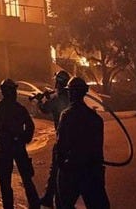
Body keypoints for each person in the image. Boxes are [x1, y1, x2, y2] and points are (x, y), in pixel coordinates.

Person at [0, 78, 41, 209]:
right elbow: (29, 125)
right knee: (26, 178)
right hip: (16, 146)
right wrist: (24, 139)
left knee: (5, 181)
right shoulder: (18, 108)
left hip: (5, 147)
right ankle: (34, 204)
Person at [54, 76, 110, 209]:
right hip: (91, 170)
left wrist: (61, 168)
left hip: (72, 170)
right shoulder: (95, 118)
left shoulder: (66, 116)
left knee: (63, 204)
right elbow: (98, 150)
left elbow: (61, 147)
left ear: (71, 93)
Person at [37, 70, 71, 207]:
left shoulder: (57, 98)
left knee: (56, 169)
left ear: (58, 82)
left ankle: (52, 198)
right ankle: (60, 198)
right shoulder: (71, 96)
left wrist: (40, 100)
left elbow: (44, 109)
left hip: (62, 139)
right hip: (74, 140)